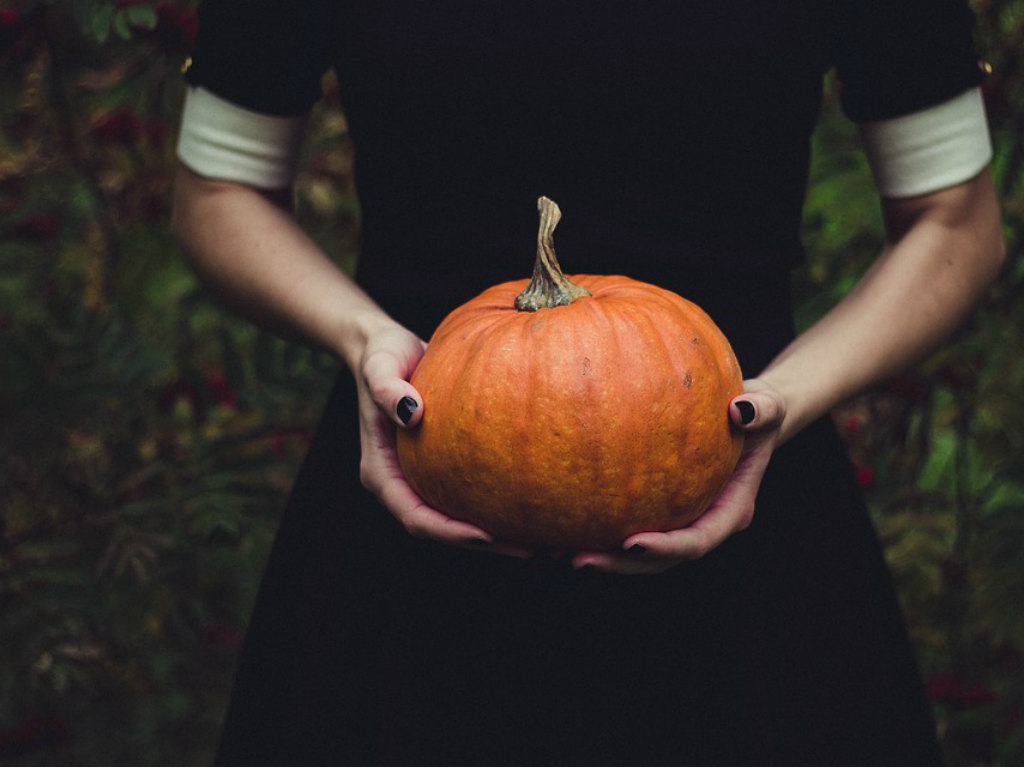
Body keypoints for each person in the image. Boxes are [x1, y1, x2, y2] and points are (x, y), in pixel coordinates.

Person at [171, 1, 1005, 764]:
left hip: (743, 484)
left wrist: (783, 399)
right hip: (415, 475)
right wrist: (364, 341)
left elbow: (956, 223)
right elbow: (218, 191)